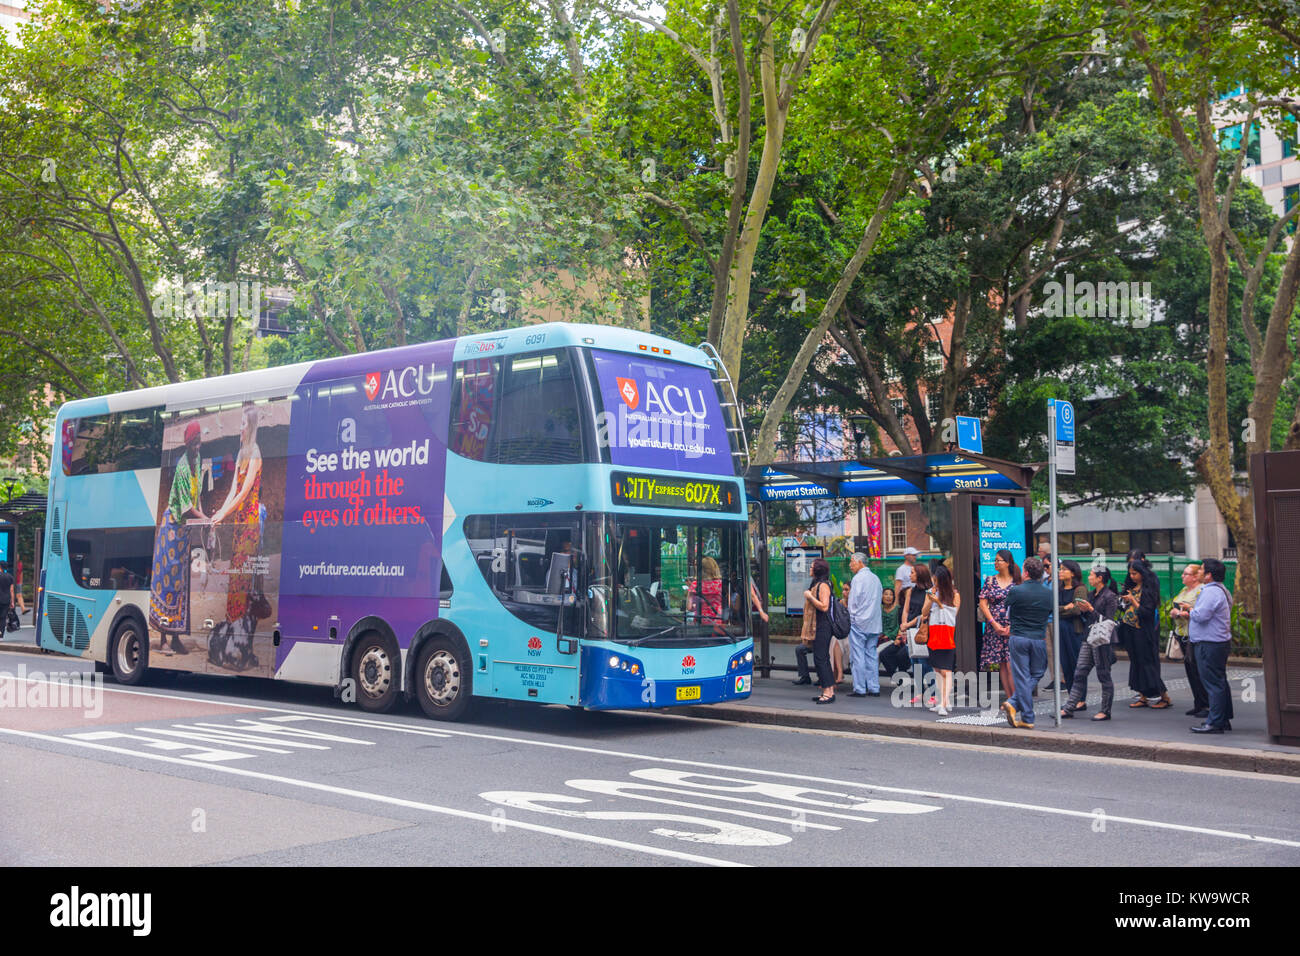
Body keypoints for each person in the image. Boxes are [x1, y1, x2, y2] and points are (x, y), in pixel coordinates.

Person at [149, 420, 207, 655]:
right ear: (188, 443)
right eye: (195, 443)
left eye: (199, 442)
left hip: (183, 533)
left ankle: (176, 637)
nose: (198, 446)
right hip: (171, 529)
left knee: (181, 584)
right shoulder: (183, 467)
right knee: (167, 584)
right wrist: (205, 518)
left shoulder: (198, 461)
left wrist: (203, 517)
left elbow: (197, 499)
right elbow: (185, 508)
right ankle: (163, 638)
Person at [210, 405, 263, 645]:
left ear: (250, 426)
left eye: (242, 424)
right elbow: (233, 489)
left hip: (250, 524)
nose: (239, 428)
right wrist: (220, 513)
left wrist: (223, 514)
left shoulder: (255, 453)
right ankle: (231, 629)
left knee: (242, 578)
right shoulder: (242, 452)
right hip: (239, 522)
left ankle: (239, 635)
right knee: (235, 577)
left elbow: (243, 494)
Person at [1177, 559, 1235, 734]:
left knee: (1213, 683)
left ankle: (1215, 722)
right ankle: (1223, 718)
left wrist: (1189, 610)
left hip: (1209, 643)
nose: (1199, 572)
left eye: (1202, 569)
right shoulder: (1222, 590)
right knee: (1219, 681)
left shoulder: (1210, 592)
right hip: (1218, 641)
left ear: (1209, 575)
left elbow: (1201, 616)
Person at [1001, 556, 1055, 729]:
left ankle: (1018, 707)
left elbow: (1005, 610)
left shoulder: (1016, 591)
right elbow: (1051, 612)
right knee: (1038, 672)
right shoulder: (1049, 593)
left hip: (1018, 638)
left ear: (1025, 572)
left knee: (1022, 676)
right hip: (1039, 638)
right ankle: (1022, 713)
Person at [1061, 567, 1119, 720]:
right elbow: (1088, 616)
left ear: (1100, 578)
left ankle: (1105, 711)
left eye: (1092, 575)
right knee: (1079, 672)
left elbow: (1108, 620)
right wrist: (1084, 609)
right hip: (1088, 637)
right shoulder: (1091, 594)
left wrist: (1091, 609)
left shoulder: (1110, 596)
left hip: (1102, 640)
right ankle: (1069, 707)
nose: (1089, 577)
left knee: (1103, 674)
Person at [1119, 559, 1169, 709]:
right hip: (1129, 629)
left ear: (1142, 573)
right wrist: (1124, 601)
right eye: (1130, 574)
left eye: (1135, 573)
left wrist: (1133, 600)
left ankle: (1164, 696)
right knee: (1136, 663)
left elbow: (1147, 612)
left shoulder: (1148, 589)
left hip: (1143, 631)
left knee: (1147, 663)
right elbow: (1123, 608)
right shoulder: (1131, 587)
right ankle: (1143, 695)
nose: (1132, 576)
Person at [978, 549, 1020, 705]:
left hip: (1012, 628)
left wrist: (1012, 625)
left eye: (998, 560)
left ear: (1008, 563)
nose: (995, 563)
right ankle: (1010, 700)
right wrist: (994, 624)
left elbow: (1021, 604)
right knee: (1001, 663)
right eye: (994, 560)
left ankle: (1016, 700)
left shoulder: (1017, 582)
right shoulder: (990, 580)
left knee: (1011, 664)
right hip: (994, 628)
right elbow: (983, 604)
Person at [920, 564, 960, 715]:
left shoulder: (954, 595)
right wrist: (931, 599)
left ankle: (944, 703)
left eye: (935, 579)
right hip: (934, 634)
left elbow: (952, 616)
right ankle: (940, 700)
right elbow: (924, 613)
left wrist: (938, 602)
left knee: (946, 670)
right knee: (937, 669)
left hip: (947, 635)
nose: (933, 582)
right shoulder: (930, 592)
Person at [1170, 563, 1208, 718]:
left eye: (1185, 574)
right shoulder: (1184, 590)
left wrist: (1184, 612)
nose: (1182, 576)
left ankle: (1206, 704)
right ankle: (1198, 703)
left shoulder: (1201, 590)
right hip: (1182, 633)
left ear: (1194, 577)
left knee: (1199, 670)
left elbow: (1199, 612)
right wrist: (1174, 612)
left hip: (1194, 634)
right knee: (1190, 670)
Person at [846, 552, 883, 697]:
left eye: (852, 562)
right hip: (874, 623)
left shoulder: (857, 579)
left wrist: (852, 618)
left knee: (858, 656)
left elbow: (853, 602)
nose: (850, 565)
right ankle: (874, 687)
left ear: (860, 562)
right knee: (871, 654)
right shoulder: (876, 578)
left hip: (859, 623)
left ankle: (860, 688)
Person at [802, 558, 836, 704]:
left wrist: (809, 596)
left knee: (821, 659)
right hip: (819, 625)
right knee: (821, 658)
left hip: (823, 626)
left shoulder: (823, 585)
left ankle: (828, 692)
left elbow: (824, 606)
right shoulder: (818, 584)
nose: (809, 569)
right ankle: (827, 690)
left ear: (818, 569)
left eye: (811, 567)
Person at [901, 563, 934, 706]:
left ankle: (933, 692)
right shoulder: (910, 591)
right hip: (910, 630)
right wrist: (904, 626)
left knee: (924, 662)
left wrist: (908, 624)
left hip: (922, 629)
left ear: (920, 575)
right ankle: (920, 692)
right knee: (914, 662)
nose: (910, 575)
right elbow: (906, 610)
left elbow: (923, 613)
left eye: (913, 573)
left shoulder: (929, 591)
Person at [1057, 560, 1088, 697]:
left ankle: (1080, 698)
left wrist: (1062, 610)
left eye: (1064, 569)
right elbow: (1051, 608)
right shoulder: (1058, 588)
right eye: (1060, 569)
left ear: (1073, 573)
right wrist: (1065, 607)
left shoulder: (1080, 589)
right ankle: (1072, 697)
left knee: (1077, 665)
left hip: (1074, 631)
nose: (1060, 572)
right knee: (1065, 665)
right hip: (1061, 630)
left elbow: (1077, 610)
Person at [878, 587, 908, 678]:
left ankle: (896, 676)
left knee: (879, 653)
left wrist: (895, 637)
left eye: (891, 595)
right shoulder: (879, 610)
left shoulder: (898, 610)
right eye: (886, 594)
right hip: (881, 639)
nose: (888, 597)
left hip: (893, 639)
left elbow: (901, 625)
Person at [0, 561, 13, 639]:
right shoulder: (10, 576)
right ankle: (1, 632)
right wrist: (12, 602)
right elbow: (11, 590)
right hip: (6, 600)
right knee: (3, 617)